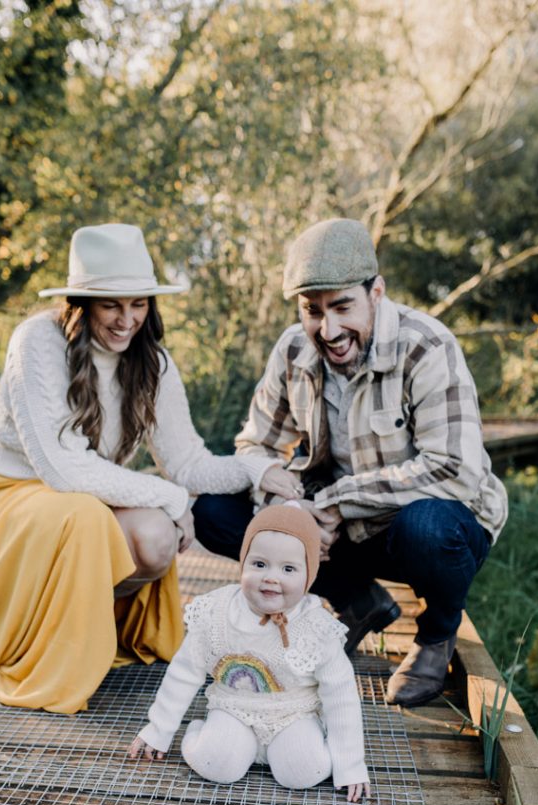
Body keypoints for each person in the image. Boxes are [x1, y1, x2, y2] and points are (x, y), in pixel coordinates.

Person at [0, 223, 298, 713]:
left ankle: (76, 622)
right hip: (7, 496)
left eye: (139, 304)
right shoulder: (37, 343)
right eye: (111, 304)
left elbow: (187, 462)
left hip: (84, 498)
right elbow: (62, 470)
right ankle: (43, 639)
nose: (127, 320)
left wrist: (256, 470)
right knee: (87, 517)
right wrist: (170, 499)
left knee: (156, 538)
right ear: (80, 303)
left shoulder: (153, 362)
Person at [193, 218, 508, 707]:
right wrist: (290, 509)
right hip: (333, 529)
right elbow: (255, 448)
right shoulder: (293, 350)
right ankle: (356, 601)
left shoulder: (425, 345)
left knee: (428, 527)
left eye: (342, 307)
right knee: (215, 512)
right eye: (312, 311)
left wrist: (337, 504)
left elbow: (455, 470)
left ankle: (436, 636)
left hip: (420, 525)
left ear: (376, 293)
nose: (329, 329)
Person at [129, 503, 370, 802]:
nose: (271, 577)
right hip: (233, 708)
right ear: (242, 563)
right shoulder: (217, 611)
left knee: (306, 773)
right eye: (259, 564)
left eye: (288, 569)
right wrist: (159, 729)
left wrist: (350, 765)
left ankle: (291, 747)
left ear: (309, 575)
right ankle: (201, 731)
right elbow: (185, 671)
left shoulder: (315, 626)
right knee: (215, 766)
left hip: (292, 713)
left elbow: (341, 694)